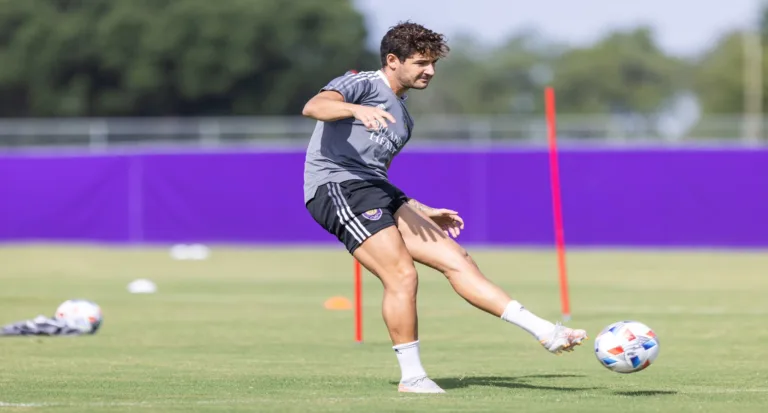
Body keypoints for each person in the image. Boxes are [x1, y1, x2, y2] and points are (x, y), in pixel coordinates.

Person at [301, 21, 587, 394]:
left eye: (433, 63)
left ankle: (546, 332)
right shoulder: (363, 84)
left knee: (459, 259)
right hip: (336, 188)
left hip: (376, 191)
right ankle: (413, 377)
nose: (430, 71)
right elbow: (314, 106)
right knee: (402, 276)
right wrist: (355, 110)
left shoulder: (404, 119)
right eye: (421, 63)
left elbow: (375, 174)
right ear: (392, 60)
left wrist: (418, 207)